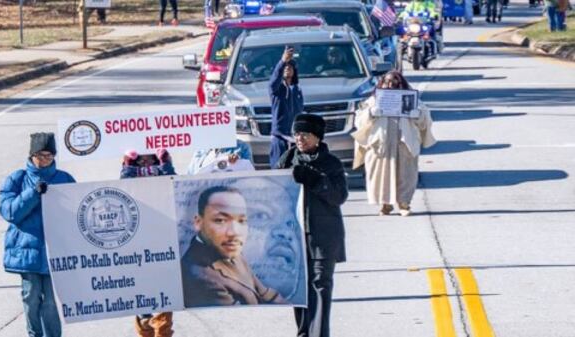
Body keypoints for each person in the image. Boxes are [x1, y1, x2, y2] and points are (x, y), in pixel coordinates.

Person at [277, 114, 348, 337]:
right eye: (297, 134)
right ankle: (304, 333)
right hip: (295, 237)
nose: (300, 138)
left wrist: (316, 181)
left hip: (323, 237)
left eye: (305, 134)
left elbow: (339, 196)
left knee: (320, 286)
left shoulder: (331, 164)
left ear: (317, 137)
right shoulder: (287, 159)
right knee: (299, 289)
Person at [0, 132, 76, 337]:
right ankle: (34, 334)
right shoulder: (17, 179)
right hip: (26, 250)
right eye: (40, 155)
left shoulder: (64, 178)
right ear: (31, 155)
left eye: (49, 156)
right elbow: (10, 212)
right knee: (31, 297)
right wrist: (33, 193)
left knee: (50, 300)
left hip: (55, 251)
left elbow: (77, 213)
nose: (44, 160)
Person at [181, 186, 287, 307]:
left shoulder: (228, 249)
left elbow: (263, 293)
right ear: (198, 222)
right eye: (220, 220)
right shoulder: (200, 278)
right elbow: (238, 320)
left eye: (241, 221)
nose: (234, 232)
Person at [352, 70, 435, 216]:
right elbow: (359, 121)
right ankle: (385, 204)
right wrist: (371, 113)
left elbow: (425, 121)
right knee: (380, 175)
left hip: (404, 143)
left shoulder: (412, 100)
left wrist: (417, 115)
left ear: (401, 83)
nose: (391, 85)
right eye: (388, 82)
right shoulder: (373, 100)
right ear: (382, 83)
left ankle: (404, 204)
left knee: (406, 174)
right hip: (380, 144)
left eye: (395, 82)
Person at [120, 148, 175, 337]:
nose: (145, 164)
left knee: (166, 292)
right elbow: (122, 189)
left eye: (149, 160)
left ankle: (162, 330)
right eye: (141, 161)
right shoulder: (130, 173)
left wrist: (165, 163)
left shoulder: (163, 169)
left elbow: (174, 184)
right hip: (138, 240)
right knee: (141, 293)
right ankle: (144, 326)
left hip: (162, 238)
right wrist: (128, 164)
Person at [269, 46, 304, 169]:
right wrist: (282, 61)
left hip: (296, 139)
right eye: (285, 67)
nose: (287, 68)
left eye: (290, 66)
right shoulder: (277, 89)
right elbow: (273, 83)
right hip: (280, 139)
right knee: (278, 173)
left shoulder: (297, 90)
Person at [187, 139, 253, 175]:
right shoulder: (200, 151)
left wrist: (238, 160)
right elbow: (190, 176)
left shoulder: (241, 147)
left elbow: (249, 176)